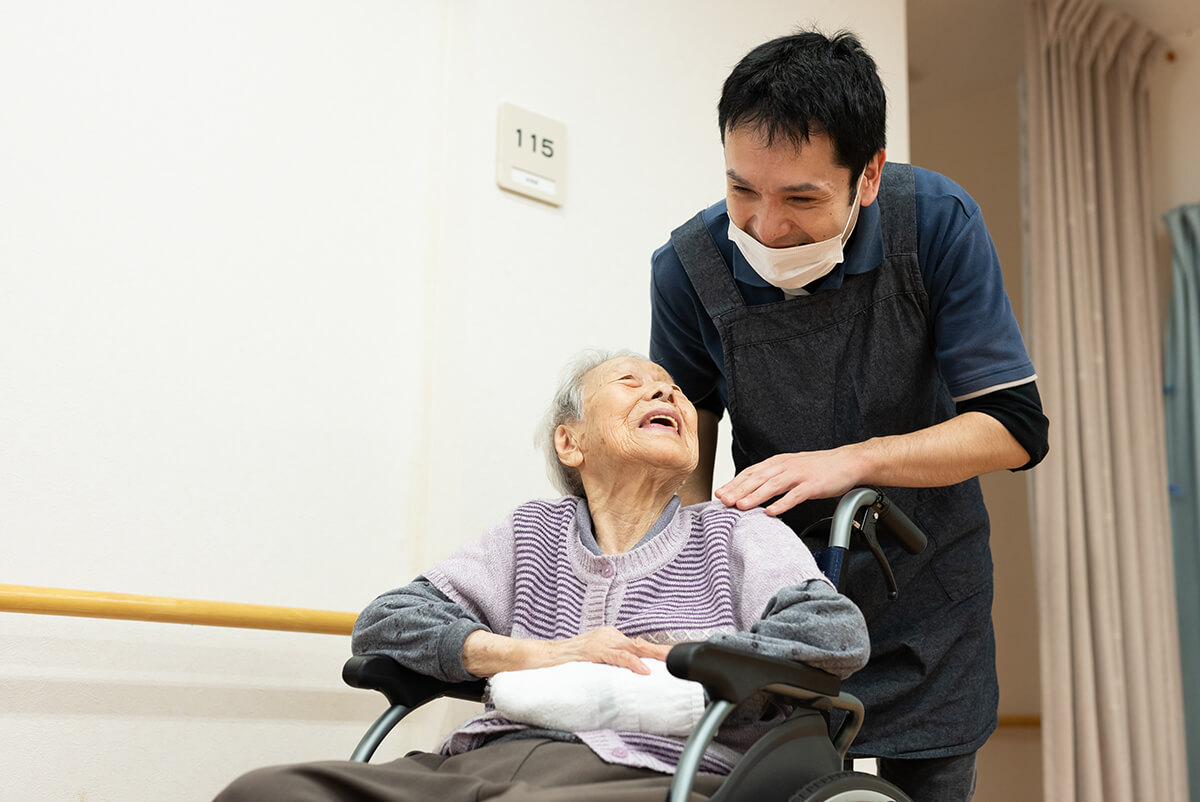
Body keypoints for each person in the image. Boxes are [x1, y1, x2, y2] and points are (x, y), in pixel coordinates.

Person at [648, 31, 1050, 801]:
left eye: (801, 198)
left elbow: (1012, 426)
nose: (765, 227)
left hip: (928, 586)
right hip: (781, 593)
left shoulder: (932, 221)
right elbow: (684, 455)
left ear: (866, 177)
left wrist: (851, 460)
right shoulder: (688, 269)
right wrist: (679, 578)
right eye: (742, 191)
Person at [213, 351, 870, 802]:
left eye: (670, 386)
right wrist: (533, 654)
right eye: (632, 383)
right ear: (571, 442)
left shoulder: (735, 533)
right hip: (477, 765)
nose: (665, 391)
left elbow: (831, 632)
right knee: (263, 792)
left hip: (653, 774)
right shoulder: (532, 533)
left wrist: (686, 662)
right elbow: (386, 623)